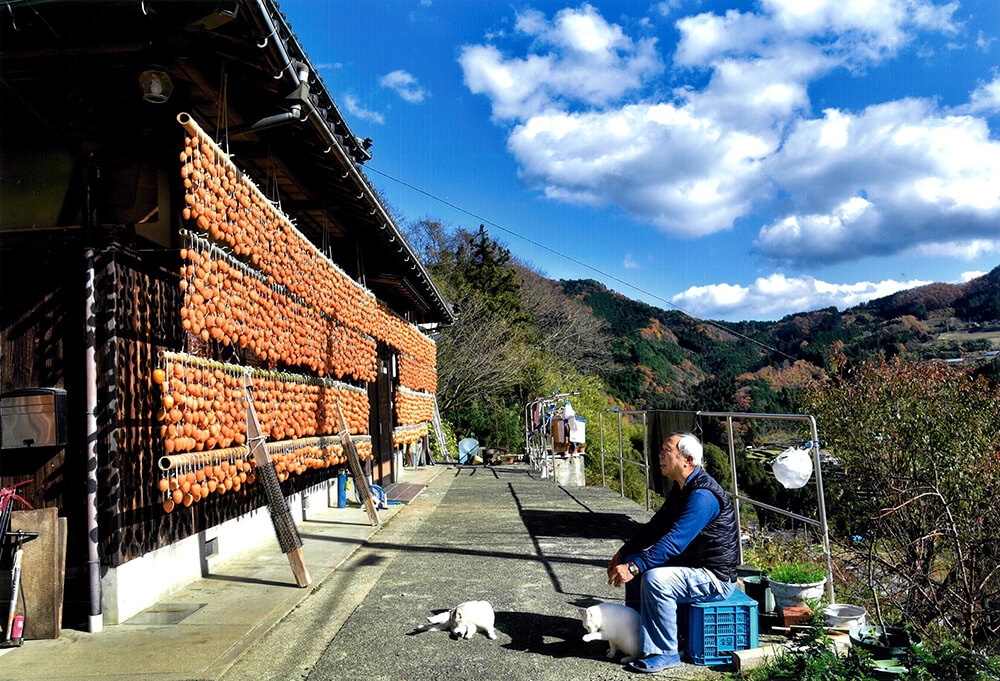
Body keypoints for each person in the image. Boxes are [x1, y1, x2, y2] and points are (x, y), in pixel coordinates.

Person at [606, 432, 738, 674]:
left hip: (713, 577)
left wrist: (634, 569)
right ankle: (637, 637)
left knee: (655, 578)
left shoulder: (702, 495)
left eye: (667, 450)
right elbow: (657, 526)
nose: (660, 455)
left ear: (687, 460)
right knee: (634, 559)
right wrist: (624, 553)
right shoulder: (682, 488)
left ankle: (665, 652)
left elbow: (674, 542)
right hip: (692, 566)